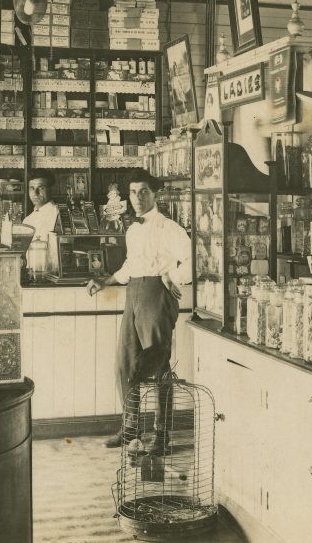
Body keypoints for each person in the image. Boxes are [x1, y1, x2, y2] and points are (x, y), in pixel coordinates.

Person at [88, 169, 192, 453]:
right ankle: (131, 428)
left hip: (156, 296)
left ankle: (162, 435)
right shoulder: (133, 229)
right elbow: (130, 267)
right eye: (133, 192)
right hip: (133, 293)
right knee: (125, 365)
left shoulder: (169, 228)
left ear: (155, 193)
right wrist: (105, 280)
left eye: (143, 191)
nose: (137, 197)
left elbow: (193, 259)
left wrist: (172, 277)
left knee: (158, 367)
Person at [23, 170, 60, 239]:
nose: (35, 193)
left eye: (41, 188)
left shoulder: (58, 214)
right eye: (32, 188)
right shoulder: (27, 220)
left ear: (51, 190)